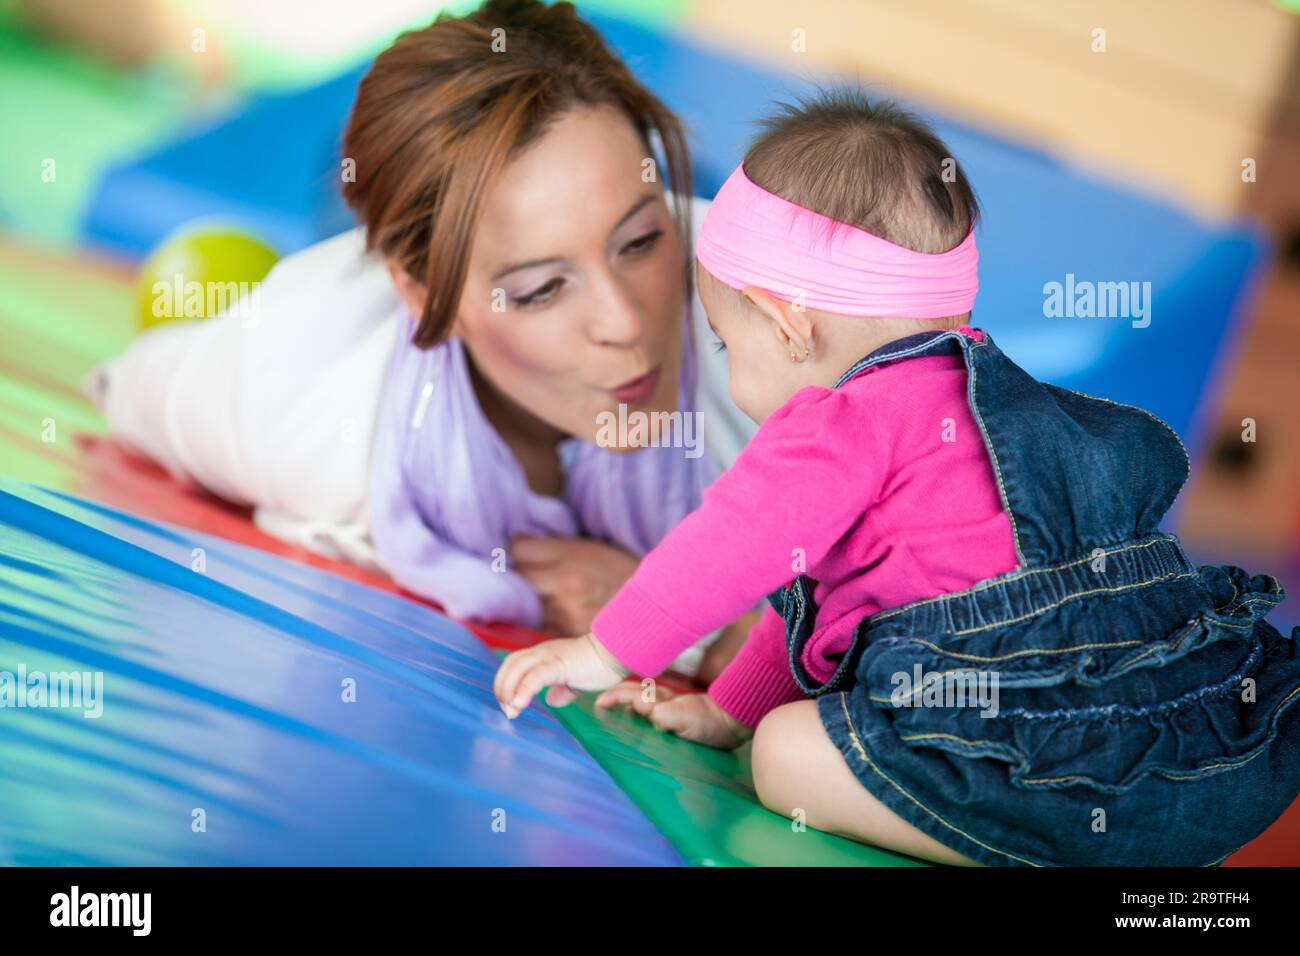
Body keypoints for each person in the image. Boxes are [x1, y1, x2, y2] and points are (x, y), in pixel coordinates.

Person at [494, 89, 1300, 867]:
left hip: (1049, 767)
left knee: (790, 754)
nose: (729, 372)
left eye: (724, 345)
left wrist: (604, 652)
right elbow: (812, 603)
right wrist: (725, 710)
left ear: (788, 325)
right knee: (792, 720)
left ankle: (1046, 846)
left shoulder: (845, 421)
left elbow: (735, 542)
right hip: (1193, 755)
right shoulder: (996, 401)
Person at [92, 0, 759, 679]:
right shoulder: (299, 398)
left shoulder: (771, 320)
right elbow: (127, 388)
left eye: (641, 241)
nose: (624, 321)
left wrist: (672, 615)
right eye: (541, 290)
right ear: (415, 290)